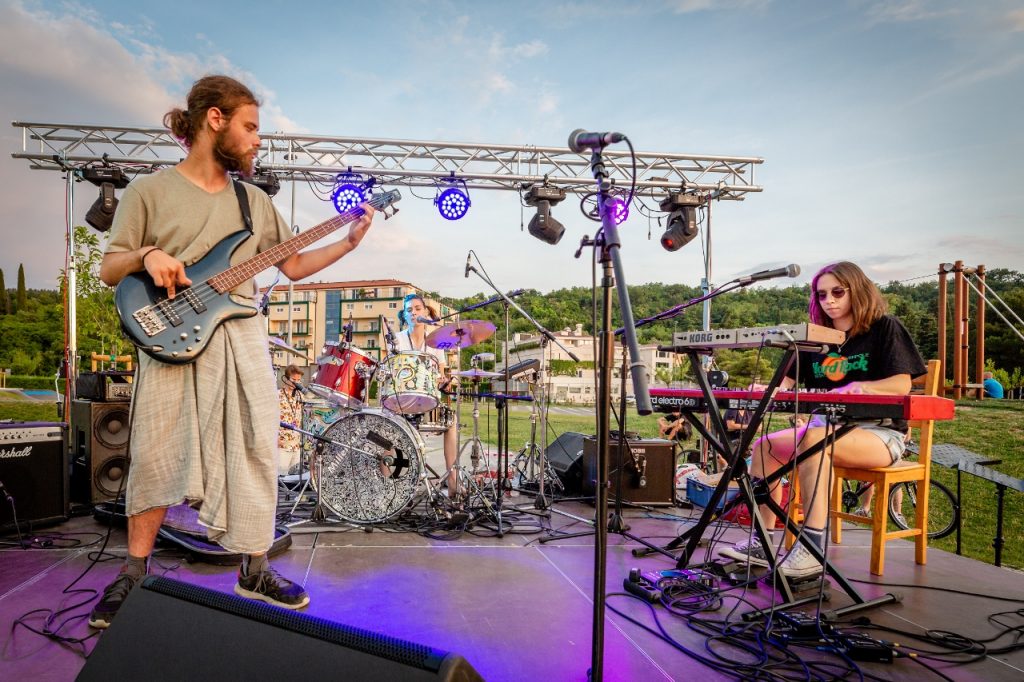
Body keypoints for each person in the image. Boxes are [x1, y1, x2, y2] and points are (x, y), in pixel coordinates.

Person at [90, 75, 375, 628]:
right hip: (168, 334)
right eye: (250, 127)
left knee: (253, 449)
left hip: (239, 333)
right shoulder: (149, 190)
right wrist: (148, 254)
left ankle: (254, 566)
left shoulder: (255, 201)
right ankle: (133, 572)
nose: (257, 140)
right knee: (155, 451)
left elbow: (291, 265)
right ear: (214, 120)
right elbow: (109, 266)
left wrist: (346, 242)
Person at [720, 261, 926, 579]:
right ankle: (762, 542)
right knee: (764, 447)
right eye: (821, 294)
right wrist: (767, 389)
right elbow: (785, 385)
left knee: (815, 440)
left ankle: (812, 548)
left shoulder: (885, 327)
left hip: (878, 434)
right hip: (824, 428)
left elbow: (902, 384)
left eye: (837, 292)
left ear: (857, 290)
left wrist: (863, 387)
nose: (829, 300)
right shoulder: (813, 337)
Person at [385, 293, 461, 497]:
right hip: (402, 400)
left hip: (428, 399)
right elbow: (390, 372)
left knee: (451, 422)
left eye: (417, 308)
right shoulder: (397, 340)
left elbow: (442, 374)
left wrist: (444, 381)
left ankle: (453, 481)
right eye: (409, 310)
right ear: (405, 315)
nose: (414, 313)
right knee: (385, 424)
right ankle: (384, 484)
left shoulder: (436, 341)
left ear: (425, 311)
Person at [278, 364, 305, 476]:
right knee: (280, 479)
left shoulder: (300, 396)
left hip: (296, 446)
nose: (296, 383)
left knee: (294, 481)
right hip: (282, 445)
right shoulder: (277, 396)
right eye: (294, 380)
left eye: (298, 380)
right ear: (286, 379)